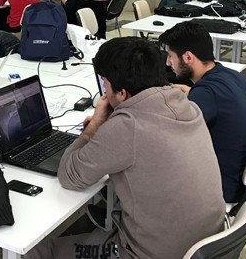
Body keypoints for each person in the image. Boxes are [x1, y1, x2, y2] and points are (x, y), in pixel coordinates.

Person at [27, 37, 225, 259]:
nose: (104, 90)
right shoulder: (189, 106)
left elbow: (69, 175)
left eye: (105, 83)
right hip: (208, 245)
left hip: (148, 254)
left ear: (122, 93)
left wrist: (95, 125)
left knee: (41, 251)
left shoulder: (127, 127)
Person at [158, 21, 246, 203]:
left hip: (221, 186)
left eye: (170, 56)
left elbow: (169, 137)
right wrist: (193, 92)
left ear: (188, 57)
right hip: (239, 175)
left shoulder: (206, 94)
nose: (168, 63)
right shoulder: (230, 74)